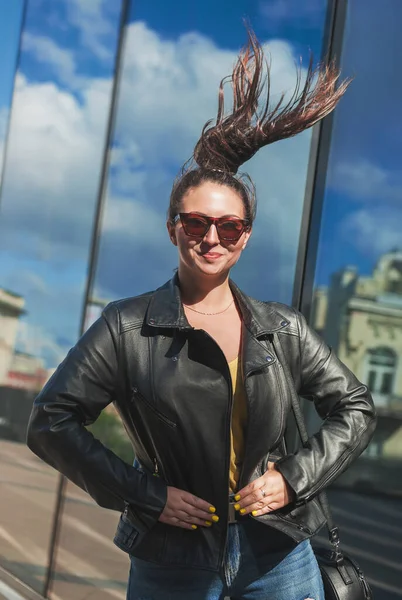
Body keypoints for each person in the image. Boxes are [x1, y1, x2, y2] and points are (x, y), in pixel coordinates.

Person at [27, 29, 376, 600]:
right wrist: (147, 494)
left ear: (245, 237)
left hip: (278, 553)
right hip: (173, 558)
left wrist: (292, 478)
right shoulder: (127, 325)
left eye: (229, 226)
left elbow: (355, 408)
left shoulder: (279, 327)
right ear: (173, 229)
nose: (212, 237)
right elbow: (51, 421)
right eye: (196, 224)